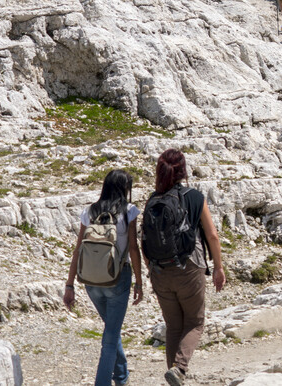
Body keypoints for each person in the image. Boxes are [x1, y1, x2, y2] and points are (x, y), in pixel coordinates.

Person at [143, 150, 225, 386]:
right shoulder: (195, 197)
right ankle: (179, 369)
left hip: (160, 271)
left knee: (173, 326)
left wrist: (151, 271)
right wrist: (218, 267)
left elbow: (144, 238)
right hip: (189, 268)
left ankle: (174, 375)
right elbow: (212, 235)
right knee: (195, 322)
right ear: (183, 170)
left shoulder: (153, 199)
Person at [63, 170, 144, 386]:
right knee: (110, 338)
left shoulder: (89, 211)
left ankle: (122, 376)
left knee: (111, 329)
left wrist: (70, 285)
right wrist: (139, 281)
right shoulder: (129, 211)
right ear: (125, 188)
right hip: (118, 278)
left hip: (90, 281)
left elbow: (78, 250)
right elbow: (134, 248)